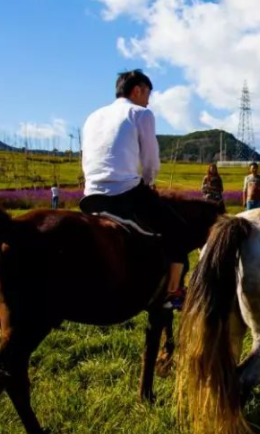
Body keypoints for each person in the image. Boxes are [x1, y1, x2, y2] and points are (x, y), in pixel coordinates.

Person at [80, 69, 188, 310]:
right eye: (148, 93)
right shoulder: (141, 113)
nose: (148, 100)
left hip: (91, 195)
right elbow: (151, 159)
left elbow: (86, 155)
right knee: (179, 230)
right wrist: (149, 183)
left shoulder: (93, 116)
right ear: (137, 90)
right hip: (124, 193)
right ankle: (173, 293)